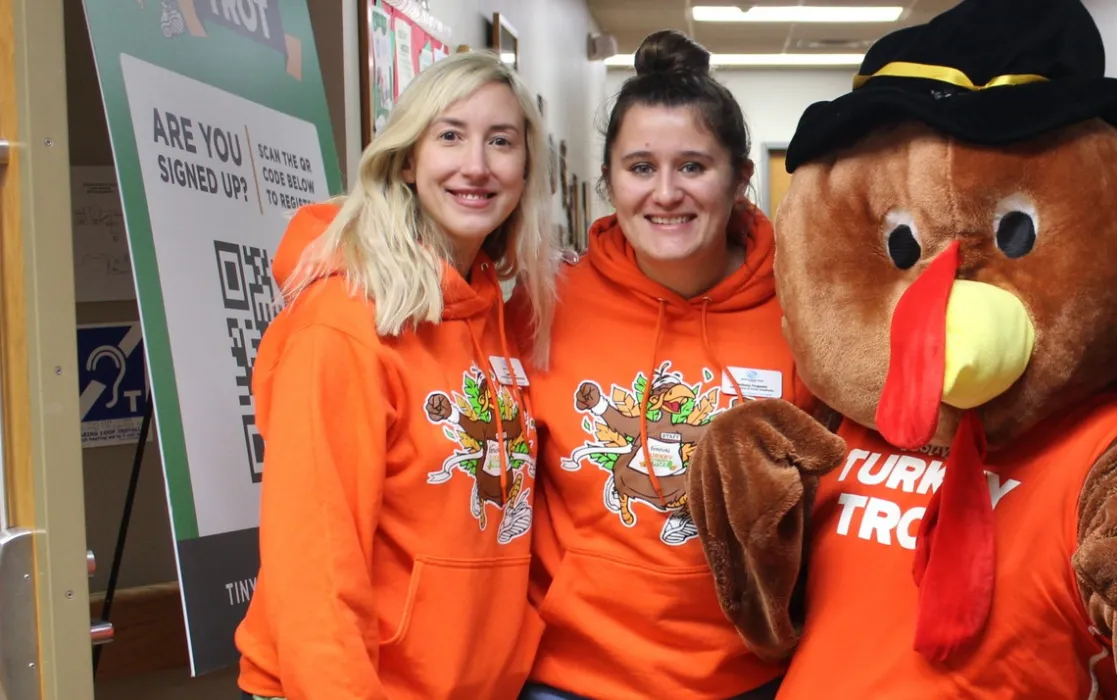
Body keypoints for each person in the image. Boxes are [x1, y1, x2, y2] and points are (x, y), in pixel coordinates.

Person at [236, 50, 558, 700]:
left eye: (501, 141)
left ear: (525, 168)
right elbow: (316, 562)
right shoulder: (346, 320)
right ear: (407, 159)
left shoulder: (494, 311)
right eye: (450, 136)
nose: (476, 165)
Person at [516, 30, 804, 700]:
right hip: (571, 676)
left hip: (749, 677)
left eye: (694, 167)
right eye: (641, 167)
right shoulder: (544, 309)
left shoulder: (802, 316)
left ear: (740, 178)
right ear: (609, 179)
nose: (666, 193)